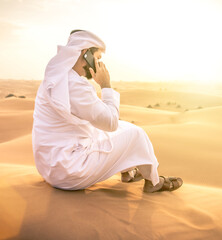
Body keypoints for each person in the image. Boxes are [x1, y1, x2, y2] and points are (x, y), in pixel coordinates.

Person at [32, 29, 183, 193]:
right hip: (71, 172)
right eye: (96, 58)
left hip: (50, 168)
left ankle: (129, 172)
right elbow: (111, 123)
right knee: (136, 133)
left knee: (118, 129)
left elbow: (100, 120)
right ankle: (154, 182)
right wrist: (105, 85)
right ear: (85, 54)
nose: (97, 64)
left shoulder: (55, 79)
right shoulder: (75, 86)